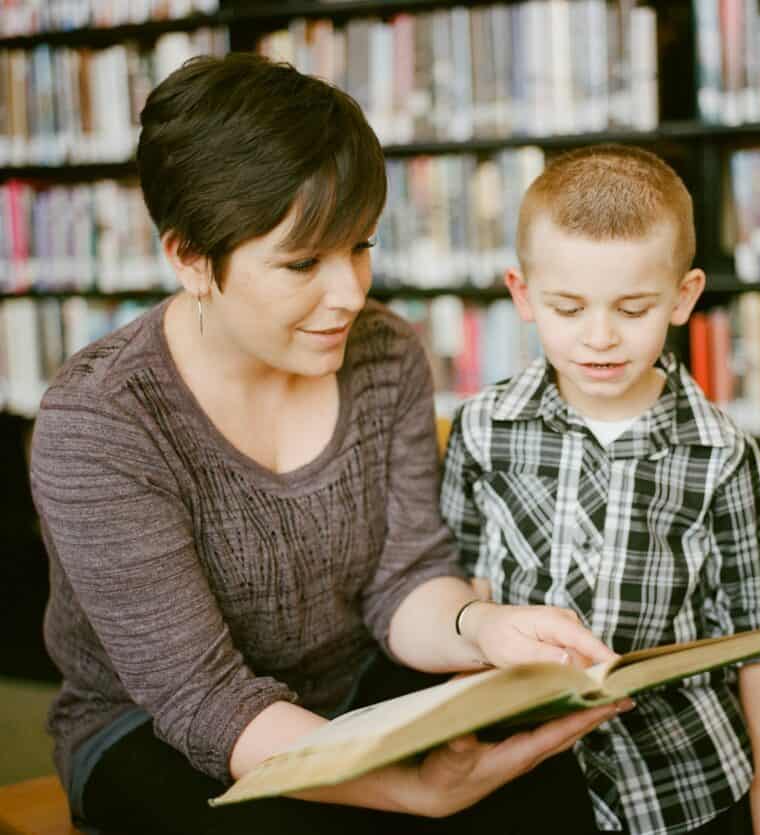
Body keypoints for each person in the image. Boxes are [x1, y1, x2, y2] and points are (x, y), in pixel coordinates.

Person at [30, 54, 630, 835]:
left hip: (352, 686)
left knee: (542, 789)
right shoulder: (102, 422)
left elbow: (404, 579)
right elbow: (204, 700)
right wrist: (410, 787)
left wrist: (484, 628)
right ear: (188, 259)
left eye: (360, 245)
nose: (350, 292)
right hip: (153, 730)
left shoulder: (386, 353)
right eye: (303, 262)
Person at [440, 145, 760, 835]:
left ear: (683, 297)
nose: (599, 337)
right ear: (522, 294)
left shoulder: (721, 452)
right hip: (520, 764)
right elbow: (461, 581)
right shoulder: (485, 426)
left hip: (679, 775)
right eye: (568, 308)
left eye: (632, 308)